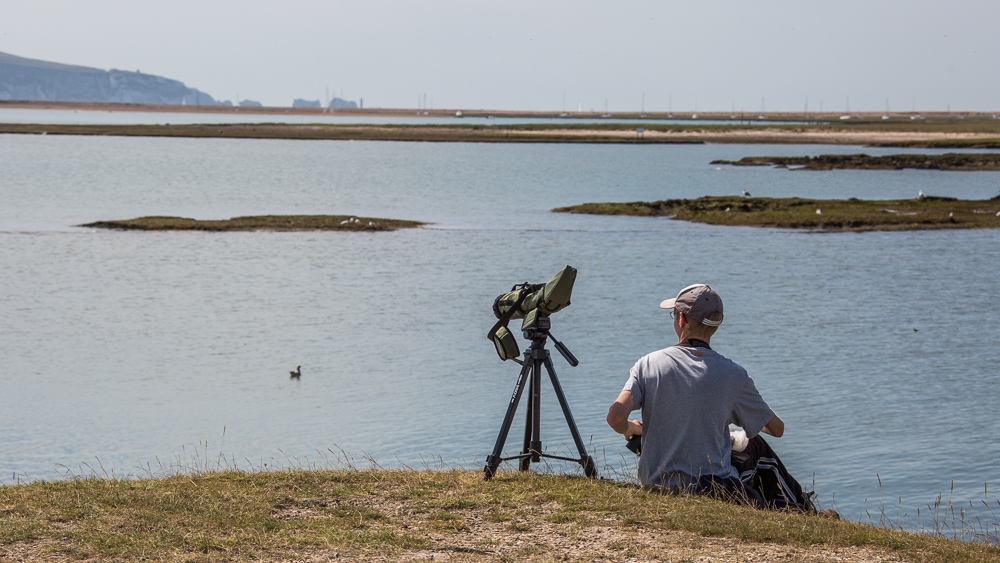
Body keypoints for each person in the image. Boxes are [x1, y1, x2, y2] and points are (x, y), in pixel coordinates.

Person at [606, 283, 787, 506]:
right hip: (712, 489)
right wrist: (742, 418)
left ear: (681, 319)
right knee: (756, 446)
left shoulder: (648, 364)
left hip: (656, 485)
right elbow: (777, 429)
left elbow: (615, 418)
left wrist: (631, 428)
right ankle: (801, 508)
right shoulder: (733, 375)